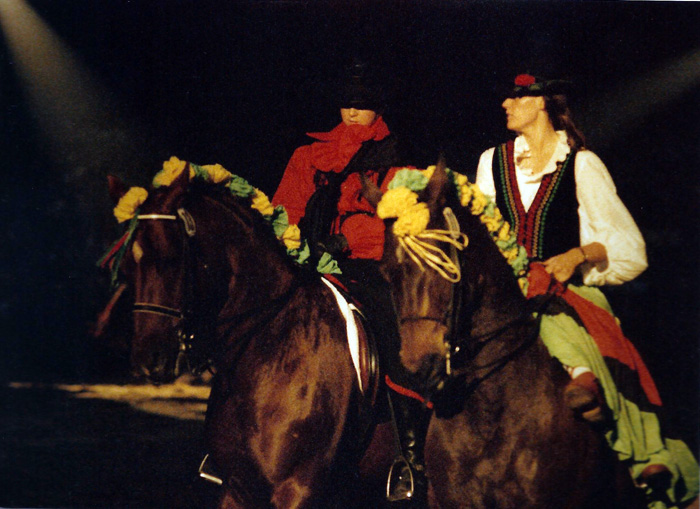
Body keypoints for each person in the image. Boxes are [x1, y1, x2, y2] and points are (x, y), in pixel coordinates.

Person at [475, 74, 699, 508]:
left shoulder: (581, 163)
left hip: (567, 290)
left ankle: (640, 447)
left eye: (515, 96)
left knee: (570, 324)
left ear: (539, 103)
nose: (505, 103)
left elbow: (629, 250)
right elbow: (485, 234)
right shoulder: (491, 162)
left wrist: (578, 255)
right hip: (506, 292)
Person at [272, 60, 429, 505]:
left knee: (393, 334)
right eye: (347, 104)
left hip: (367, 264)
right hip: (310, 260)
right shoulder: (308, 154)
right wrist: (293, 245)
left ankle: (409, 455)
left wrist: (346, 239)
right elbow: (287, 206)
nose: (352, 113)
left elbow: (398, 220)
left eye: (361, 105)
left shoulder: (395, 157)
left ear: (376, 108)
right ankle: (227, 440)